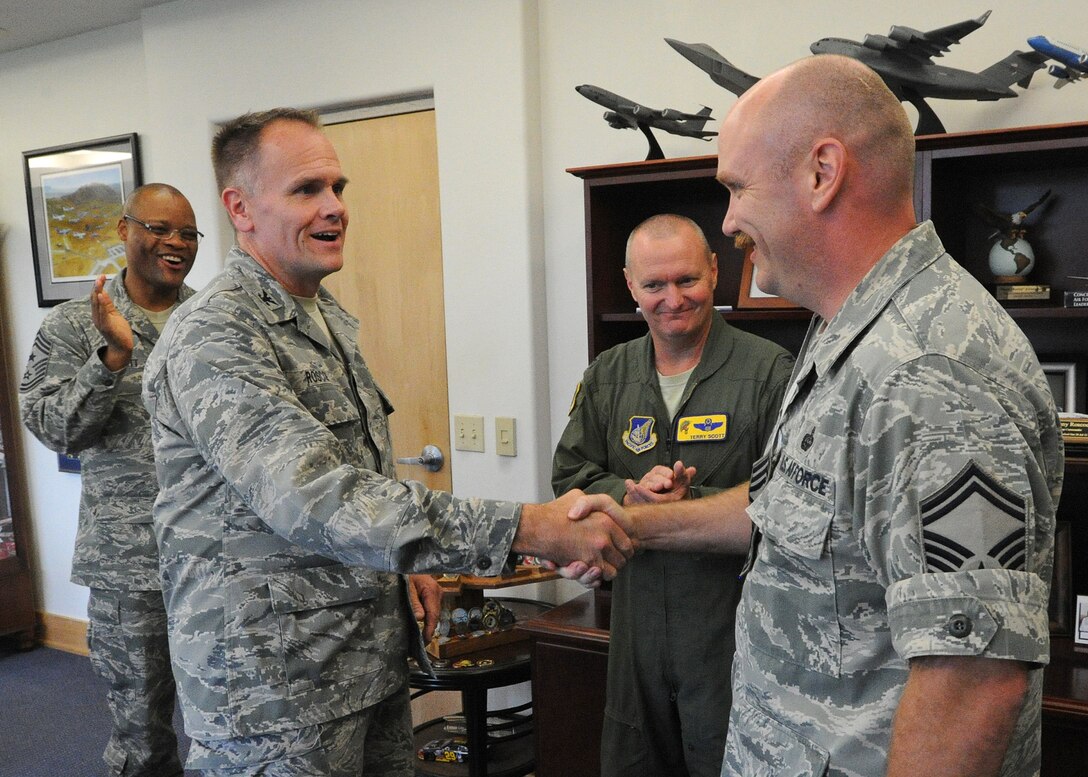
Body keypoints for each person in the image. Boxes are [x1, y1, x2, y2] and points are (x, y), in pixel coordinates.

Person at [569, 55, 1064, 777]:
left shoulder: (930, 372)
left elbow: (973, 680)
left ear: (821, 173)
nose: (730, 219)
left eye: (737, 187)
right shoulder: (847, 328)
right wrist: (632, 523)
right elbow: (795, 514)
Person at [141, 107, 634, 776]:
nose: (334, 207)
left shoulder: (327, 317)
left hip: (364, 665)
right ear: (241, 207)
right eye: (306, 189)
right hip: (272, 700)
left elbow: (360, 472)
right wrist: (528, 527)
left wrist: (403, 562)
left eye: (338, 188)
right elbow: (315, 495)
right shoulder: (216, 334)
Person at [551, 213, 793, 777]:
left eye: (686, 280)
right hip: (635, 626)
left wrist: (691, 502)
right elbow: (571, 475)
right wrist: (629, 497)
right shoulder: (609, 374)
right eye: (654, 285)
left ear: (714, 270)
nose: (672, 299)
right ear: (630, 285)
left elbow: (790, 499)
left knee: (727, 759)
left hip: (733, 626)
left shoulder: (768, 371)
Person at [20, 183, 201, 777]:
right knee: (143, 736)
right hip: (130, 568)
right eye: (158, 228)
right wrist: (110, 362)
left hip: (216, 560)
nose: (173, 244)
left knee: (225, 725)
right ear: (124, 230)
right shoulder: (77, 325)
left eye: (186, 234)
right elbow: (53, 428)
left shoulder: (212, 321)